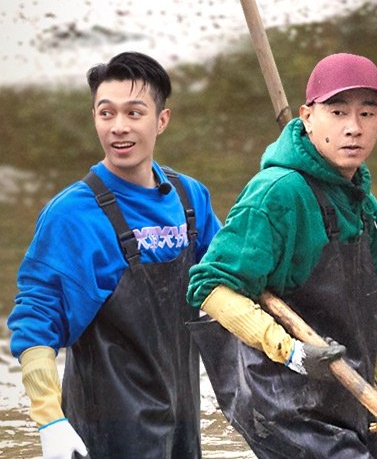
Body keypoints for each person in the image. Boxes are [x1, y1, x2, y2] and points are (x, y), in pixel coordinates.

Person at [186, 53, 377, 459]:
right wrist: (293, 352)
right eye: (337, 112)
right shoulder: (278, 194)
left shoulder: (367, 210)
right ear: (307, 117)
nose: (353, 127)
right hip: (285, 406)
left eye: (366, 113)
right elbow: (210, 288)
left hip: (350, 400)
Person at [7, 51, 222, 458]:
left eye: (134, 113)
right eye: (106, 113)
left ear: (162, 120)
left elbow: (227, 282)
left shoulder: (189, 199)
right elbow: (35, 323)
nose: (118, 127)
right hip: (105, 438)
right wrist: (50, 421)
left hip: (182, 429)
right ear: (94, 117)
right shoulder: (72, 216)